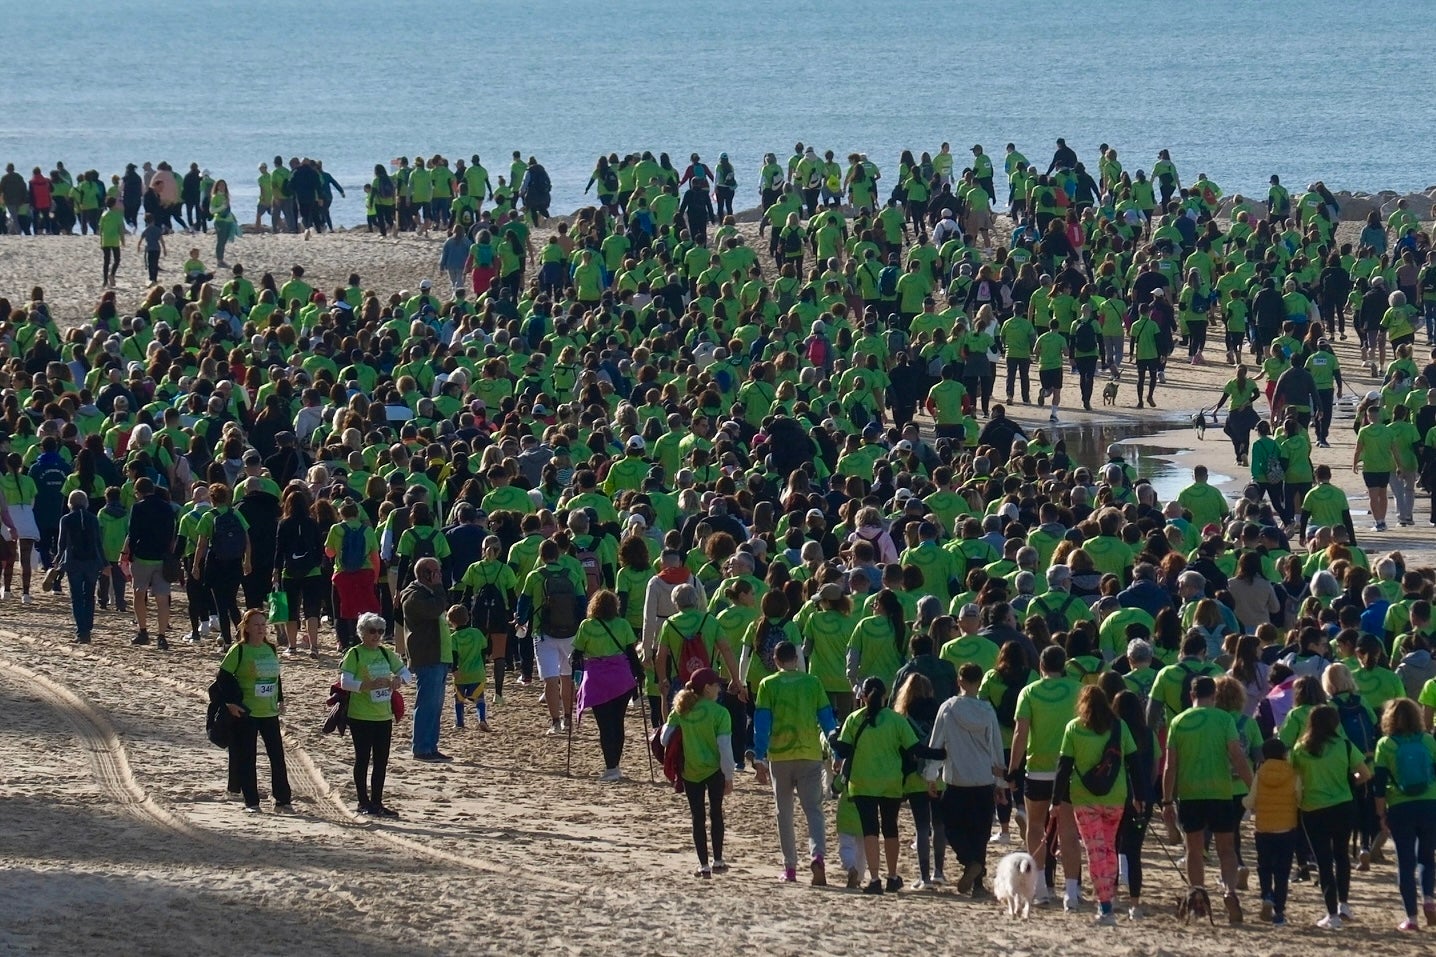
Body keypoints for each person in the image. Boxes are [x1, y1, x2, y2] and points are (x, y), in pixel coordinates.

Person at [1161, 675, 1253, 923]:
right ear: (1214, 696)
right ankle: (1229, 891)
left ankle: (1198, 894)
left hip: (1190, 793)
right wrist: (1253, 788)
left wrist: (1167, 800)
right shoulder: (1224, 719)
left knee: (1194, 850)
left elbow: (1170, 765)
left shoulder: (1178, 721)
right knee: (1226, 849)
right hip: (1220, 792)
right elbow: (1237, 757)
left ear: (1191, 695)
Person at [1054, 685, 1142, 926]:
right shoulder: (1119, 727)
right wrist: (1140, 795)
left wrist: (1055, 800)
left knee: (1095, 852)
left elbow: (1064, 766)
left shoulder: (1074, 728)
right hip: (1115, 797)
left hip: (1084, 798)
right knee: (1109, 848)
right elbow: (1134, 762)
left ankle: (1105, 906)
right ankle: (1108, 898)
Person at [750, 640, 836, 884]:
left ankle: (790, 868)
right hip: (809, 752)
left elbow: (762, 724)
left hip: (780, 755)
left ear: (775, 660)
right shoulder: (813, 682)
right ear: (796, 659)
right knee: (814, 810)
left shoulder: (768, 684)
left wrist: (759, 756)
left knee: (784, 813)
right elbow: (827, 720)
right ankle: (817, 855)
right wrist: (835, 751)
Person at [1007, 644, 1084, 907]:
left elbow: (1020, 733)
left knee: (1035, 826)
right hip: (1070, 769)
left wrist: (1012, 768)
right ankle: (1072, 892)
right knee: (1069, 831)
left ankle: (1040, 889)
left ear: (1041, 666)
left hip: (1038, 768)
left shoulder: (1029, 691)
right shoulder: (1078, 689)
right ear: (1064, 665)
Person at [834, 676, 919, 895]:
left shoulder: (854, 719)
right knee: (890, 828)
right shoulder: (897, 720)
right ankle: (892, 876)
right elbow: (914, 748)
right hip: (891, 782)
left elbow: (843, 750)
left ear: (862, 696)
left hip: (862, 783)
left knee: (869, 830)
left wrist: (834, 737)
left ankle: (874, 879)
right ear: (885, 696)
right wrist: (940, 753)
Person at [926, 662, 1004, 895]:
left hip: (956, 779)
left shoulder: (948, 707)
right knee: (980, 833)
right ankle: (978, 882)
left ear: (959, 681)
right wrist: (1000, 781)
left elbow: (937, 743)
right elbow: (996, 746)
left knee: (952, 828)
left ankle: (969, 862)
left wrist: (931, 774)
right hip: (983, 779)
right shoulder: (987, 710)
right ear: (979, 682)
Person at [1291, 703, 1371, 929]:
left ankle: (1332, 914)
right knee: (1342, 855)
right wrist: (1349, 782)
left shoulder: (1300, 749)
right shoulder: (1344, 745)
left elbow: (1294, 777)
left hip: (1312, 808)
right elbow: (1364, 774)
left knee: (1323, 860)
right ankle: (1344, 903)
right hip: (1342, 805)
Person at [660, 667, 735, 878]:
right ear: (707, 688)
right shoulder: (720, 713)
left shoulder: (681, 710)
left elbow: (664, 739)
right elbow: (725, 748)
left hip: (690, 770)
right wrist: (729, 776)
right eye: (716, 685)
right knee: (716, 813)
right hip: (714, 770)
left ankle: (703, 865)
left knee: (697, 816)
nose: (719, 688)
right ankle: (718, 860)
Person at [1372, 697, 1436, 931]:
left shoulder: (1385, 745)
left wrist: (1381, 814)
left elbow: (1379, 785)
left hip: (1401, 807)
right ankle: (1429, 898)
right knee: (1427, 858)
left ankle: (1411, 918)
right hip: (1430, 803)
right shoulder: (1428, 740)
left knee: (1405, 862)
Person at [219, 608, 291, 813]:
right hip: (247, 712)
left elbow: (275, 677)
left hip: (269, 712)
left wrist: (280, 699)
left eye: (263, 625)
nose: (261, 629)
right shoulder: (239, 650)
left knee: (277, 757)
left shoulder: (271, 649)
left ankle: (283, 800)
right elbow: (223, 677)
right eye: (256, 625)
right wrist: (230, 703)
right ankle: (251, 802)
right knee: (247, 757)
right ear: (247, 628)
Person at [339, 612, 410, 816]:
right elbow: (345, 682)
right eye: (372, 631)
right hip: (360, 715)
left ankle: (377, 802)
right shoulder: (354, 653)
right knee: (362, 759)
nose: (376, 635)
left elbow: (406, 673)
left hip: (383, 715)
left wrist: (398, 680)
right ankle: (363, 802)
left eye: (380, 631)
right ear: (362, 632)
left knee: (381, 761)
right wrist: (367, 685)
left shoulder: (386, 653)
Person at [516, 538, 588, 735]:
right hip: (570, 633)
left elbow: (524, 603)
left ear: (541, 556)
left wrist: (520, 621)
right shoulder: (572, 574)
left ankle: (555, 722)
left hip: (543, 633)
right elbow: (582, 603)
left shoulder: (534, 576)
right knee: (567, 677)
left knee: (550, 679)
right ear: (558, 555)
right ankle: (568, 718)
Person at [571, 588, 642, 780]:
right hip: (621, 678)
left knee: (604, 725)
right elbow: (631, 653)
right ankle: (615, 765)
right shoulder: (623, 624)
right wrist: (639, 675)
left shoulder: (587, 626)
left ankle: (610, 767)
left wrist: (574, 673)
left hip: (597, 679)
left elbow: (577, 654)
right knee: (618, 722)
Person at [1245, 737, 1301, 926]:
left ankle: (1267, 895)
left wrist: (1244, 803)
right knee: (1282, 872)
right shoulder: (1293, 773)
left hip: (1263, 829)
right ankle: (1279, 912)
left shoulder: (1260, 773)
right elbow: (1299, 797)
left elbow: (1251, 801)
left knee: (1264, 866)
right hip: (1287, 829)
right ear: (1284, 754)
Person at [402, 556, 452, 762]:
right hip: (427, 656)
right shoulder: (413, 595)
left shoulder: (428, 593)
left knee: (435, 706)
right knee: (426, 704)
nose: (439, 575)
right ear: (425, 574)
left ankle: (431, 746)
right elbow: (435, 609)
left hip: (439, 656)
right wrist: (439, 588)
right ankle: (421, 748)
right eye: (435, 572)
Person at [193, 483, 250, 647]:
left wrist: (195, 565)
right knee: (232, 601)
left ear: (212, 499)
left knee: (221, 604)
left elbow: (201, 545)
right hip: (235, 562)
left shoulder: (208, 516)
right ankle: (242, 637)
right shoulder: (236, 514)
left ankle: (227, 641)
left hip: (216, 562)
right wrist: (247, 560)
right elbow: (247, 540)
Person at [55, 490, 104, 643]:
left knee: (76, 597)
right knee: (89, 595)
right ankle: (88, 627)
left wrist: (58, 559)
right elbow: (98, 542)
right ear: (86, 503)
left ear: (70, 504)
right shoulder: (93, 519)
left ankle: (81, 631)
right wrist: (104, 562)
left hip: (73, 562)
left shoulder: (66, 519)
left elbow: (62, 543)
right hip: (92, 562)